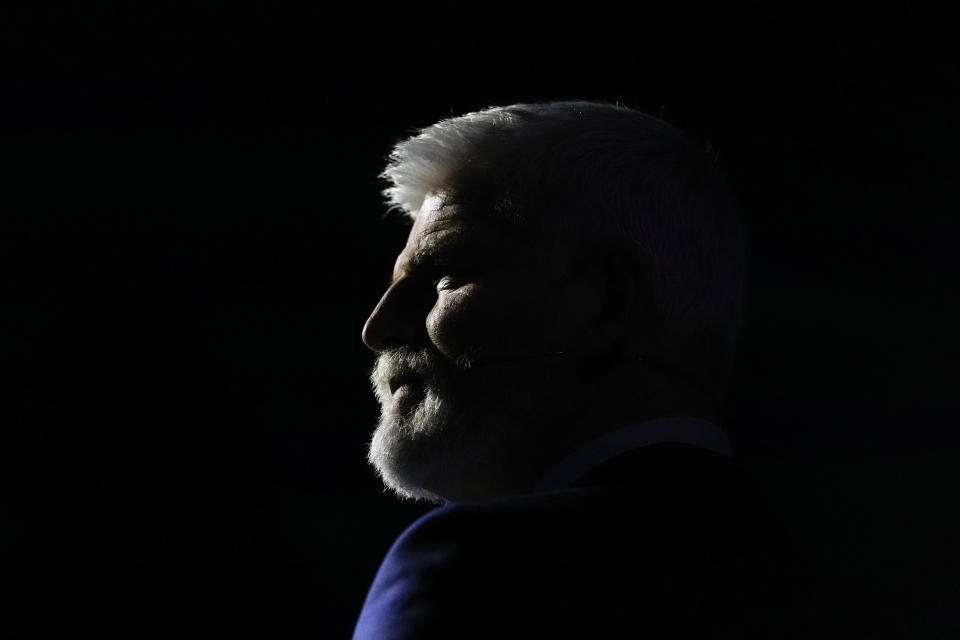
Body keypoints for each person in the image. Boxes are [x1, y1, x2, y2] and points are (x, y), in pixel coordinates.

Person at [352, 100, 805, 638]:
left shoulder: (482, 568)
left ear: (607, 299)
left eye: (446, 274)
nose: (378, 327)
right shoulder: (829, 589)